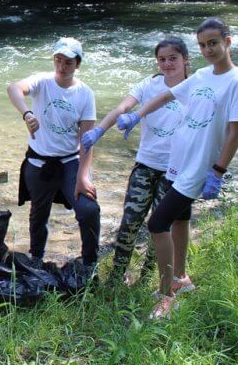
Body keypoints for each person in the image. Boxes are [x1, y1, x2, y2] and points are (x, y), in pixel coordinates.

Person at [116, 18, 238, 318]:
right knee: (180, 220)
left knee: (157, 224)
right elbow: (165, 96)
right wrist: (136, 116)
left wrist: (217, 171)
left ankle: (166, 298)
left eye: (213, 43)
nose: (208, 49)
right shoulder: (202, 75)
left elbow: (235, 133)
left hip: (197, 166)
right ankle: (180, 279)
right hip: (178, 160)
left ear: (228, 42)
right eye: (202, 44)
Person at [81, 38, 189, 284]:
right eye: (162, 59)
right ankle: (117, 276)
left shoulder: (194, 88)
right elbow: (122, 107)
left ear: (185, 59)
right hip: (146, 164)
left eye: (173, 58)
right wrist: (99, 131)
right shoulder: (149, 84)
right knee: (130, 220)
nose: (167, 63)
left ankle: (148, 275)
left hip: (175, 171)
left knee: (161, 226)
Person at [7, 37, 100, 273]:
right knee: (39, 213)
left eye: (68, 62)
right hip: (39, 162)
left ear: (77, 64)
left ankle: (90, 262)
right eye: (58, 60)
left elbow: (87, 140)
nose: (62, 66)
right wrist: (27, 114)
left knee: (89, 209)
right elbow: (14, 88)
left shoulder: (85, 93)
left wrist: (83, 176)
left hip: (70, 162)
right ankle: (36, 257)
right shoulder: (43, 81)